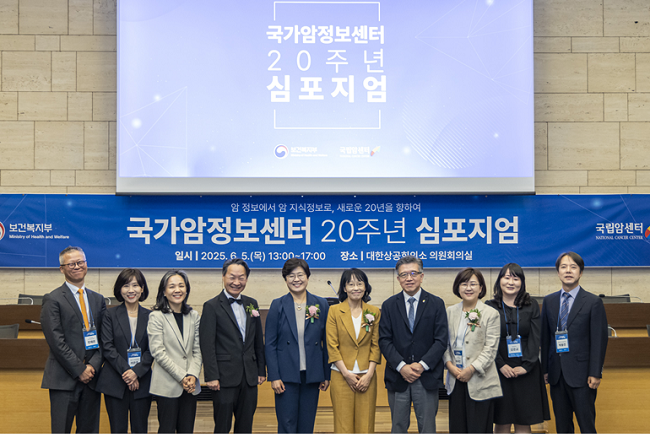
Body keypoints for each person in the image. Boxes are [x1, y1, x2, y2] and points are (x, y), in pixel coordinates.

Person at [40, 246, 107, 433]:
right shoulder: (53, 299)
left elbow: (104, 338)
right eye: (71, 264)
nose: (77, 266)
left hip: (92, 379)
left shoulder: (98, 299)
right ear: (62, 269)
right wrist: (80, 370)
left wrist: (92, 366)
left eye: (80, 262)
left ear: (86, 265)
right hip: (64, 379)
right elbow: (56, 341)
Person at [378, 255, 448, 433]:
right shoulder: (389, 305)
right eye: (404, 275)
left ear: (421, 276)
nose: (409, 278)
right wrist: (402, 366)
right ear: (398, 279)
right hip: (398, 376)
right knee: (398, 427)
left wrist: (422, 365)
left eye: (413, 273)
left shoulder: (436, 303)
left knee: (428, 428)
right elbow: (384, 340)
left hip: (426, 376)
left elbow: (441, 340)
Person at [541, 252, 608, 433]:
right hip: (556, 375)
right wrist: (545, 369)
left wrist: (595, 372)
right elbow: (545, 339)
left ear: (581, 272)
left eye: (573, 267)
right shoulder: (549, 301)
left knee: (586, 425)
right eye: (563, 267)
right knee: (562, 427)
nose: (568, 271)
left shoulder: (593, 302)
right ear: (558, 272)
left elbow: (599, 341)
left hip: (583, 376)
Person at [200, 258, 266, 433]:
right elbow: (207, 344)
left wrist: (261, 370)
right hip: (223, 378)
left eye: (241, 278)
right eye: (232, 277)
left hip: (249, 376)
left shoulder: (252, 304)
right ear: (223, 277)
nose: (237, 282)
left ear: (246, 279)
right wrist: (211, 376)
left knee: (245, 426)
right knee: (222, 426)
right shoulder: (211, 306)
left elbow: (257, 340)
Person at [265, 258, 330, 433]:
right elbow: (270, 344)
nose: (296, 279)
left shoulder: (321, 304)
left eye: (300, 275)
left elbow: (327, 342)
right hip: (285, 376)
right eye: (291, 276)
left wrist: (326, 374)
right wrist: (274, 376)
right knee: (287, 423)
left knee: (307, 424)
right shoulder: (278, 305)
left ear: (307, 277)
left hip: (312, 374)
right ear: (285, 279)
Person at [485, 264, 550, 433]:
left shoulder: (531, 304)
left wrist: (526, 366)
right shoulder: (489, 306)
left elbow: (536, 337)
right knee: (502, 421)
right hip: (499, 370)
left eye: (515, 278)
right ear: (499, 281)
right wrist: (501, 365)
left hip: (527, 370)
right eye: (506, 277)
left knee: (524, 420)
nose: (510, 282)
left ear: (522, 282)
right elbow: (487, 340)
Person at [443, 268, 502, 433]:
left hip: (480, 380)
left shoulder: (491, 313)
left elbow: (491, 349)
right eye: (464, 284)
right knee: (457, 428)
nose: (468, 288)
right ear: (458, 287)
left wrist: (471, 369)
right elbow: (444, 344)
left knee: (479, 429)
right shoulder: (450, 312)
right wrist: (449, 365)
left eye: (473, 284)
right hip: (455, 379)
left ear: (481, 288)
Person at [96, 268, 153, 434]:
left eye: (135, 285)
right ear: (119, 289)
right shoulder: (109, 315)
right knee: (117, 429)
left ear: (142, 288)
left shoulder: (152, 316)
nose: (131, 290)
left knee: (140, 429)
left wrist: (136, 372)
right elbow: (107, 347)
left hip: (142, 381)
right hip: (115, 381)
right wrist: (128, 373)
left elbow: (153, 349)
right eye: (126, 285)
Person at [326, 268, 382, 433]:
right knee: (343, 425)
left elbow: (376, 345)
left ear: (365, 287)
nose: (355, 288)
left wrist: (369, 374)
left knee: (366, 424)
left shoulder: (374, 312)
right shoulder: (334, 311)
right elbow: (332, 345)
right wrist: (346, 374)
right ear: (344, 288)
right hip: (341, 375)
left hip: (367, 376)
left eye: (359, 284)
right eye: (351, 284)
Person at [148, 270, 202, 434]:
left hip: (190, 385)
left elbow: (198, 350)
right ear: (164, 292)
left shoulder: (194, 316)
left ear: (187, 289)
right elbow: (158, 352)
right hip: (167, 384)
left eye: (181, 286)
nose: (177, 290)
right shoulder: (156, 316)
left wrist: (192, 375)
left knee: (187, 430)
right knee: (166, 429)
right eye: (171, 286)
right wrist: (182, 376)